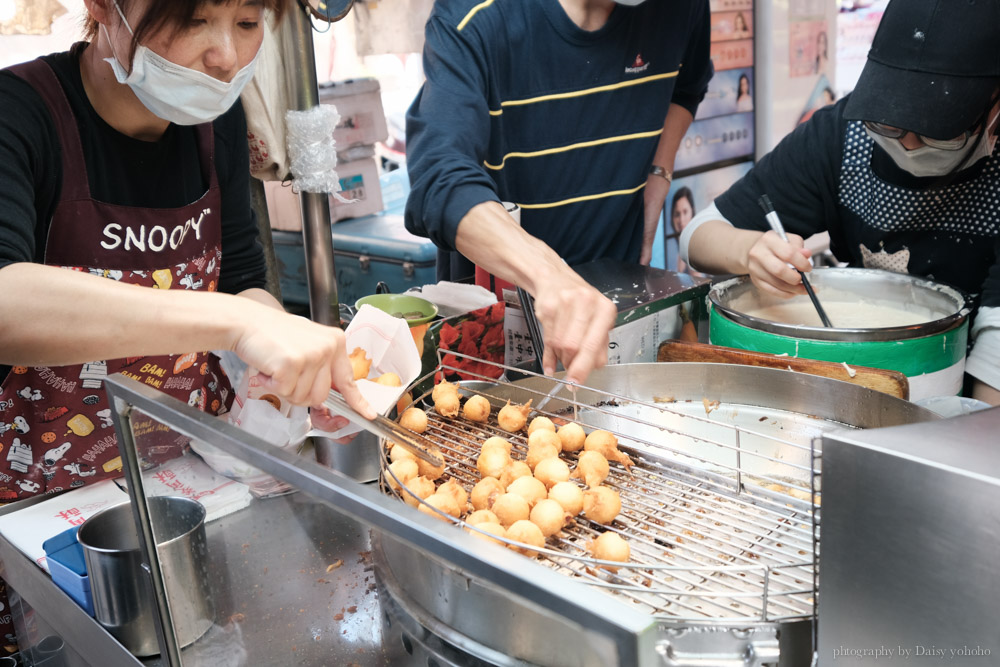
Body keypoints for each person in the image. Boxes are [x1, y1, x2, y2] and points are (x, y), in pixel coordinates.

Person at [0, 0, 377, 503]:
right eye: (191, 21)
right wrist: (238, 323)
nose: (226, 56)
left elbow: (243, 277)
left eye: (247, 23)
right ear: (102, 7)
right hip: (37, 497)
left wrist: (288, 373)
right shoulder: (18, 114)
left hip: (186, 478)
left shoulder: (217, 123)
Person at [680, 0, 1000, 405]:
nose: (909, 142)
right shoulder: (842, 137)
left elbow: (995, 359)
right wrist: (749, 252)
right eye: (890, 121)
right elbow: (697, 235)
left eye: (941, 129)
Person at [405, 0, 713, 384]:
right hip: (492, 329)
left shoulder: (682, 8)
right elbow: (439, 178)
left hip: (619, 306)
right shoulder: (476, 15)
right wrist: (550, 276)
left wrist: (658, 175)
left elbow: (688, 87)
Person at [668, 187, 696, 273]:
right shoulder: (669, 251)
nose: (681, 220)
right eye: (677, 214)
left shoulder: (700, 245)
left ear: (692, 211)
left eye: (685, 212)